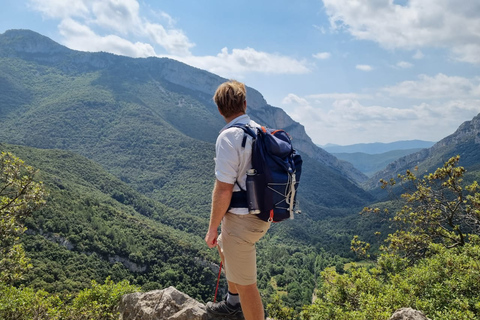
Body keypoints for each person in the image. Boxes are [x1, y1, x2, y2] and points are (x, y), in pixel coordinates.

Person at [205, 80, 271, 320]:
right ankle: (233, 303)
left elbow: (223, 190)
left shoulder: (229, 137)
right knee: (224, 245)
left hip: (242, 221)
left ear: (220, 110)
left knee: (247, 286)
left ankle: (239, 303)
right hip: (263, 213)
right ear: (244, 104)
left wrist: (211, 228)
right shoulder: (259, 130)